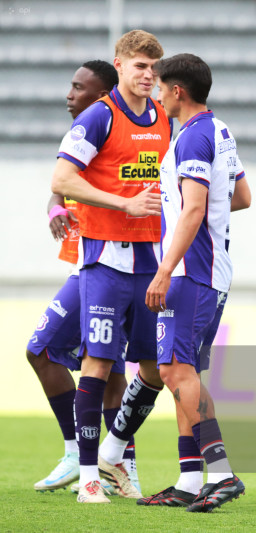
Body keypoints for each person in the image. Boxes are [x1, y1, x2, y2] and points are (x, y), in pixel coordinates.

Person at [51, 29, 171, 504]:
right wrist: (122, 203)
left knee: (155, 368)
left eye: (153, 68)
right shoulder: (100, 116)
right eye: (139, 65)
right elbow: (62, 178)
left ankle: (115, 452)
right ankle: (88, 479)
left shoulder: (163, 116)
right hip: (103, 257)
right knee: (98, 364)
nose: (148, 75)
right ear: (118, 66)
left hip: (152, 258)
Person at [136, 52, 251, 512]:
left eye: (160, 87)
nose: (157, 94)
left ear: (177, 91)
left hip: (190, 274)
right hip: (212, 272)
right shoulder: (219, 131)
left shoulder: (191, 138)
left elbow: (195, 208)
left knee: (173, 371)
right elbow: (241, 196)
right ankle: (188, 480)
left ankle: (221, 473)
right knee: (185, 372)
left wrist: (165, 269)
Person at [29, 60, 140, 495]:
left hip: (110, 264)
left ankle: (85, 455)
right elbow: (61, 185)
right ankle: (117, 466)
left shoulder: (114, 134)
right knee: (108, 367)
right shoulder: (82, 136)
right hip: (92, 264)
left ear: (100, 98)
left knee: (47, 350)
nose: (68, 94)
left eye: (78, 88)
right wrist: (56, 207)